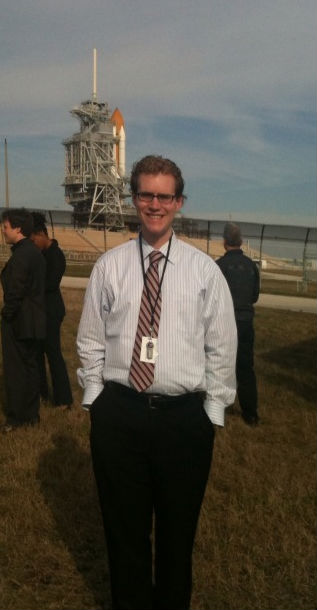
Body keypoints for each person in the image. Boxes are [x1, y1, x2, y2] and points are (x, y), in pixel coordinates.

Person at [77, 155, 237, 610]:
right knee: (123, 536)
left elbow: (222, 346)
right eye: (146, 193)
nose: (154, 204)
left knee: (176, 537)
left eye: (164, 196)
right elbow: (90, 338)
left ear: (179, 202)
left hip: (183, 422)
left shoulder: (204, 271)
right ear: (134, 199)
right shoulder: (110, 266)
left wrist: (211, 413)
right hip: (120, 417)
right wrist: (97, 399)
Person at [1, 208, 46, 432]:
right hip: (34, 320)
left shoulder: (21, 254)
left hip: (19, 321)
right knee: (30, 368)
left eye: (6, 226)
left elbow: (15, 290)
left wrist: (7, 314)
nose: (3, 230)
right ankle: (31, 414)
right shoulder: (33, 251)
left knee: (16, 370)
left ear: (18, 228)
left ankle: (17, 417)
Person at [216, 222, 260, 426]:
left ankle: (218, 407)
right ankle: (250, 413)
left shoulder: (218, 267)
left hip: (224, 324)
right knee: (245, 367)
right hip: (245, 321)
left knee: (220, 366)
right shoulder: (252, 266)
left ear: (224, 243)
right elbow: (254, 296)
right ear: (241, 242)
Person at [30, 212, 73, 409]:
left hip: (51, 311)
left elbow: (50, 284)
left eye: (33, 240)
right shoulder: (40, 254)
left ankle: (63, 399)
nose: (32, 244)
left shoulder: (56, 255)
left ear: (41, 234)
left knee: (53, 354)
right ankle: (41, 393)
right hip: (39, 311)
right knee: (37, 354)